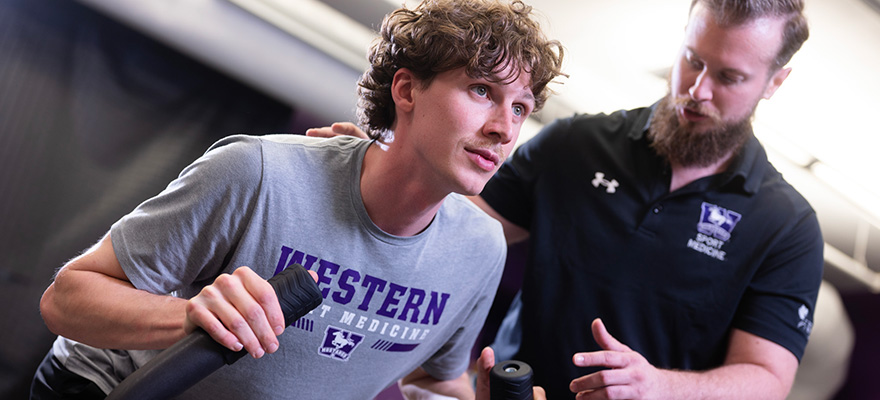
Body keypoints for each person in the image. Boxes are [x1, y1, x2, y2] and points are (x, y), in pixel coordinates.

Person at [31, 0, 565, 399]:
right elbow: (66, 299)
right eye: (482, 91)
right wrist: (191, 317)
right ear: (406, 91)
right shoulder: (260, 173)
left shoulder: (481, 250)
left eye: (520, 108)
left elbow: (433, 379)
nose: (504, 129)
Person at [307, 0, 824, 398]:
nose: (698, 89)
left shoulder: (786, 225)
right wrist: (387, 170)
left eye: (729, 77)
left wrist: (658, 387)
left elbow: (767, 378)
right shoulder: (578, 144)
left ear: (774, 82)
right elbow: (450, 226)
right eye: (692, 60)